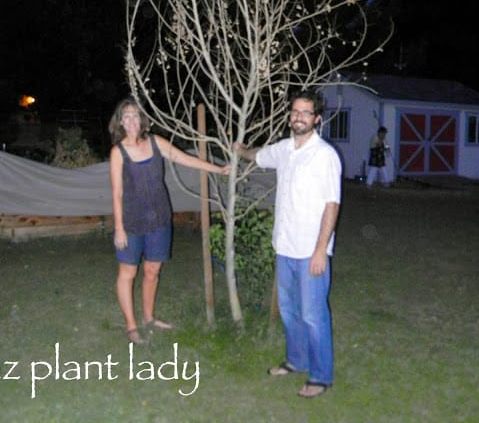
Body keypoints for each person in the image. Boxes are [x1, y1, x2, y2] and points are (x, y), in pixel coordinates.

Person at [233, 89, 342, 399]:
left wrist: (322, 249)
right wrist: (240, 150)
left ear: (316, 119)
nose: (299, 117)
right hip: (285, 247)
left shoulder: (325, 156)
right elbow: (258, 155)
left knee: (313, 315)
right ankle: (296, 360)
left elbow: (332, 205)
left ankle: (321, 376)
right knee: (290, 312)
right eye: (295, 111)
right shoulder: (284, 149)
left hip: (311, 251)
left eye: (306, 113)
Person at [109, 97, 230, 344]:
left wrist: (216, 168)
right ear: (120, 121)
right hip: (131, 222)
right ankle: (131, 326)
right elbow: (117, 192)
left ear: (141, 119)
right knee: (128, 273)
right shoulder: (118, 152)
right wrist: (119, 228)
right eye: (126, 116)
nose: (131, 120)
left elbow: (184, 158)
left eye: (135, 115)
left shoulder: (155, 143)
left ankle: (149, 318)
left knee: (153, 271)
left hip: (160, 218)